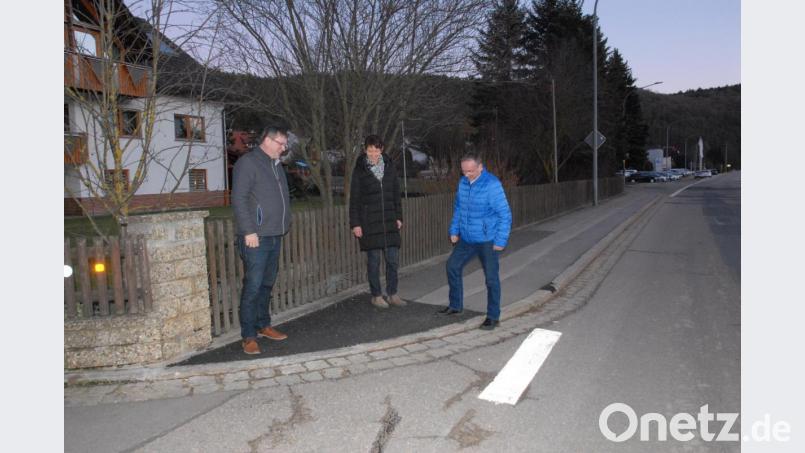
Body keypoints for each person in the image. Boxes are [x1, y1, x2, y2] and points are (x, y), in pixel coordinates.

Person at [231, 125, 292, 354]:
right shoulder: (248, 163)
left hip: (274, 234)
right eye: (281, 143)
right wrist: (248, 231)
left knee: (267, 283)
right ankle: (248, 335)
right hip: (255, 238)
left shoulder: (275, 165)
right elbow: (239, 198)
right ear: (267, 140)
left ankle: (263, 324)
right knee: (253, 286)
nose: (284, 148)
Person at [438, 152, 512, 330]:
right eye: (464, 171)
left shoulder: (492, 185)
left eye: (470, 171)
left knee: (491, 279)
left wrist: (500, 240)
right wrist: (454, 230)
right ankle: (456, 306)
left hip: (487, 239)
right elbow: (459, 208)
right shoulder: (463, 183)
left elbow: (505, 214)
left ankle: (493, 316)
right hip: (467, 238)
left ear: (480, 167)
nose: (466, 174)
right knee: (452, 266)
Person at [349, 134, 405, 309]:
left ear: (382, 149)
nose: (373, 153)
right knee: (373, 262)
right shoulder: (360, 169)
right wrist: (355, 223)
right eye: (369, 150)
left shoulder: (390, 166)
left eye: (376, 150)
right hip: (369, 222)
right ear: (365, 150)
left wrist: (398, 216)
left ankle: (392, 293)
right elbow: (355, 198)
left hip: (389, 220)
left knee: (392, 260)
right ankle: (376, 295)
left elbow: (396, 193)